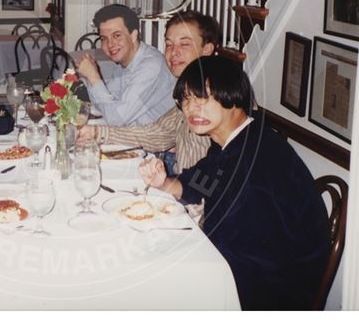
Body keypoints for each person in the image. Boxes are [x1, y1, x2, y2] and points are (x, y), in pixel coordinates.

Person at [139, 56, 330, 310]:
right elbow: (200, 182)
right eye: (185, 99)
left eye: (202, 97)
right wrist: (164, 183)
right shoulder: (236, 139)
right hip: (244, 266)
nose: (191, 108)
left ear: (233, 98)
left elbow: (239, 255)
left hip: (269, 292)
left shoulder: (256, 164)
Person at [78, 10, 220, 175]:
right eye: (169, 44)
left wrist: (93, 77)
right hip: (176, 174)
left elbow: (213, 173)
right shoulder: (187, 94)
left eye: (184, 44)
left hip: (186, 178)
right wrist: (97, 132)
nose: (174, 52)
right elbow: (158, 134)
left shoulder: (217, 95)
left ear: (207, 49)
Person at [75, 4, 174, 126]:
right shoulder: (124, 63)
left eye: (117, 35)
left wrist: (93, 77)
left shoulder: (150, 66)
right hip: (133, 131)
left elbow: (116, 119)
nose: (110, 44)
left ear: (133, 36)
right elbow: (106, 106)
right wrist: (89, 78)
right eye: (104, 38)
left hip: (155, 136)